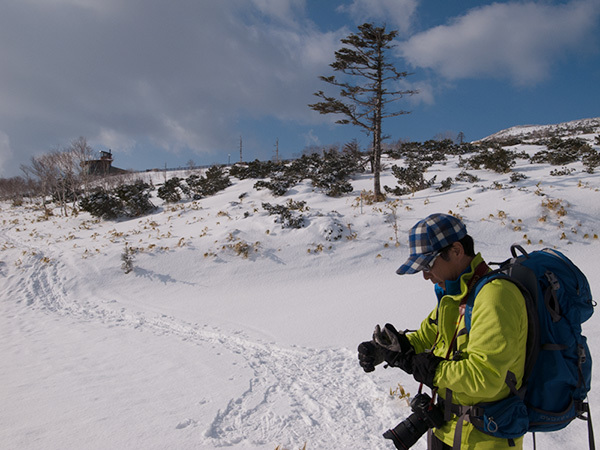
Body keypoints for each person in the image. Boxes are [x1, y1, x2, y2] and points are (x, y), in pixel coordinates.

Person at [358, 213, 528, 449]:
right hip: (446, 430)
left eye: (428, 265)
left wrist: (430, 369)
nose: (425, 275)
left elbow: (486, 377)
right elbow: (425, 338)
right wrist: (386, 349)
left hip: (486, 438)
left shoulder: (495, 296)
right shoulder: (456, 296)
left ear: (457, 250)